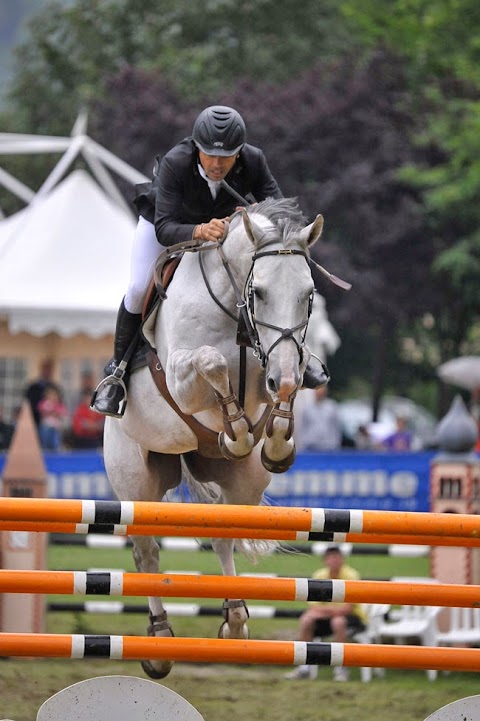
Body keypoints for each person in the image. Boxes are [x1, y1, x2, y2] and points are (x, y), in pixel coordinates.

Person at [91, 105, 329, 418]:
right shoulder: (177, 163)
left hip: (222, 230)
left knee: (270, 281)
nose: (217, 165)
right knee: (137, 287)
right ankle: (118, 371)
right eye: (209, 156)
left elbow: (279, 212)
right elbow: (164, 227)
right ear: (197, 148)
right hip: (167, 224)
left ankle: (296, 354)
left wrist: (267, 221)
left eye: (227, 157)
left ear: (239, 152)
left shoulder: (253, 160)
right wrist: (200, 229)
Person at [284, 545, 367, 682]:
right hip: (329, 617)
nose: (334, 560)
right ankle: (304, 666)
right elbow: (313, 607)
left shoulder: (351, 575)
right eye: (331, 557)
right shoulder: (319, 575)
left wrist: (325, 610)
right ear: (325, 561)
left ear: (343, 560)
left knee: (338, 621)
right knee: (306, 620)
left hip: (353, 618)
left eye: (337, 557)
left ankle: (341, 667)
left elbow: (348, 609)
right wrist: (333, 610)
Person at [296, 385, 342, 451]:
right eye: (317, 390)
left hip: (329, 446)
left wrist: (336, 443)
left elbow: (336, 427)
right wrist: (303, 441)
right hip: (310, 446)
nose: (319, 393)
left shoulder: (332, 407)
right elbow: (303, 426)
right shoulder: (307, 408)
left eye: (321, 391)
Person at [24, 359, 61, 428]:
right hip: (35, 421)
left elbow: (60, 404)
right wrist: (42, 411)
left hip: (52, 423)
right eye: (45, 369)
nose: (46, 371)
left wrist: (54, 412)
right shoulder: (33, 387)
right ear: (41, 369)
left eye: (49, 369)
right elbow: (28, 403)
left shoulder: (55, 387)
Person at [37, 386, 68, 451]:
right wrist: (52, 412)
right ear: (46, 396)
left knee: (55, 441)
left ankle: (56, 451)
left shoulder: (59, 405)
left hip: (56, 427)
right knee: (45, 439)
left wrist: (54, 412)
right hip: (46, 426)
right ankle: (45, 450)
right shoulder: (44, 403)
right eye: (50, 395)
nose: (52, 397)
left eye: (54, 395)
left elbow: (62, 413)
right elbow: (42, 411)